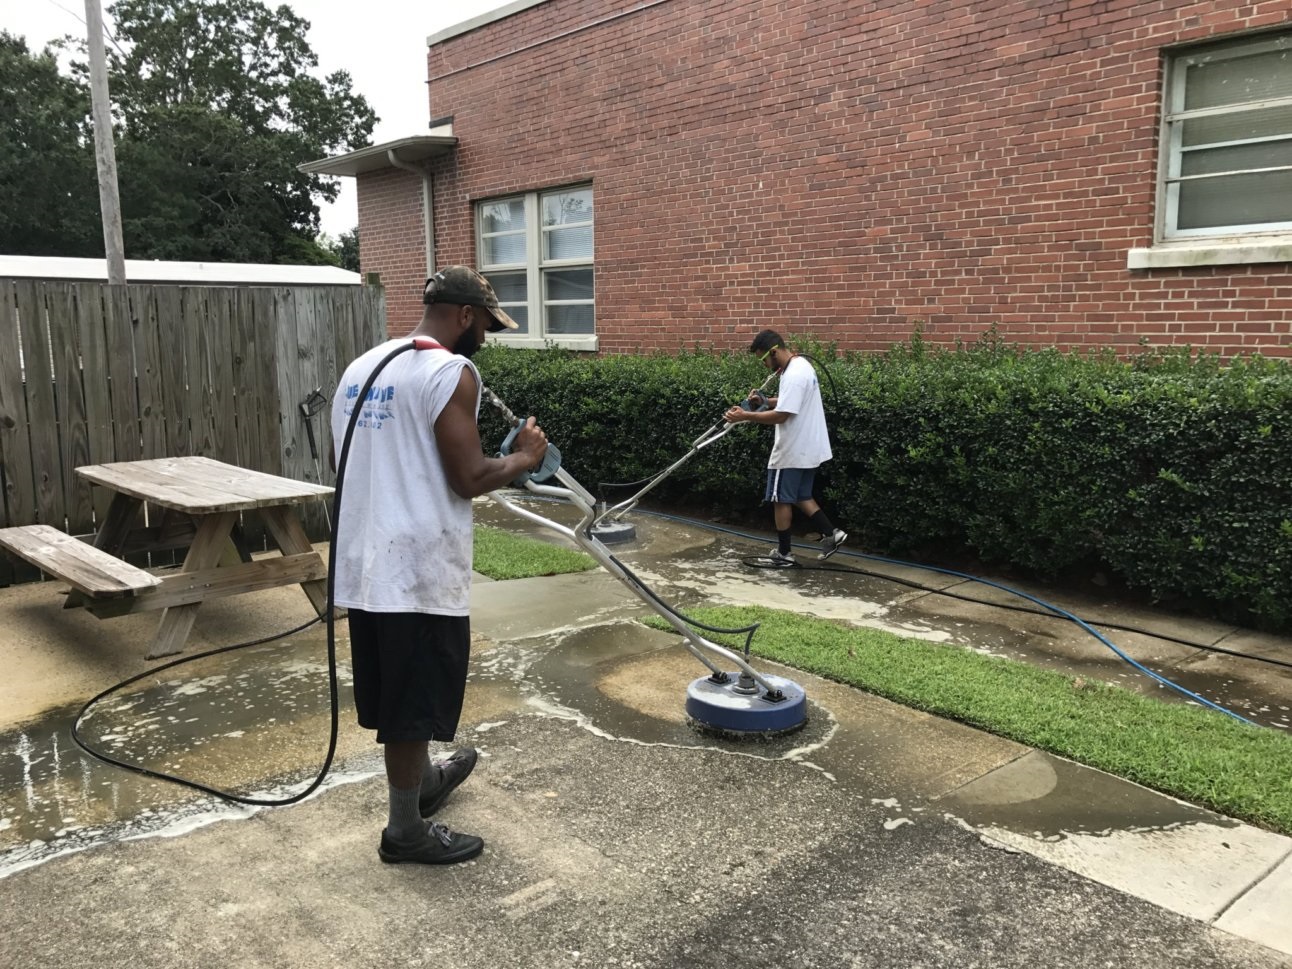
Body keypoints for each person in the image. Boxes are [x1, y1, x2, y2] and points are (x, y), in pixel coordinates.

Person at [330, 266, 548, 866]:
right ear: (465, 316)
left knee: (400, 689)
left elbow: (350, 458)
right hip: (417, 570)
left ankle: (423, 783)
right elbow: (471, 476)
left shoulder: (363, 368)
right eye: (486, 324)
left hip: (365, 562)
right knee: (413, 702)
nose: (485, 336)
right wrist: (524, 458)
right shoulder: (452, 370)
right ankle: (406, 831)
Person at [723, 329, 846, 566]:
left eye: (763, 360)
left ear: (773, 351)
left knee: (780, 498)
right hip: (808, 447)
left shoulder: (794, 375)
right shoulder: (801, 367)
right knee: (801, 495)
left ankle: (784, 554)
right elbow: (789, 400)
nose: (764, 365)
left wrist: (745, 415)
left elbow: (782, 415)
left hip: (792, 448)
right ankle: (833, 534)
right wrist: (765, 401)